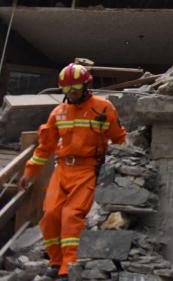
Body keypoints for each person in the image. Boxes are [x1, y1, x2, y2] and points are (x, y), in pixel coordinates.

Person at [18, 64, 126, 278]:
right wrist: (29, 172)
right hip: (62, 170)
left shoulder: (104, 108)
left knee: (71, 216)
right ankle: (55, 262)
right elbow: (44, 147)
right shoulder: (58, 113)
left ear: (87, 86)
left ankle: (69, 266)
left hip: (87, 169)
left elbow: (119, 138)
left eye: (75, 88)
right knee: (50, 216)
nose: (71, 94)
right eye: (66, 90)